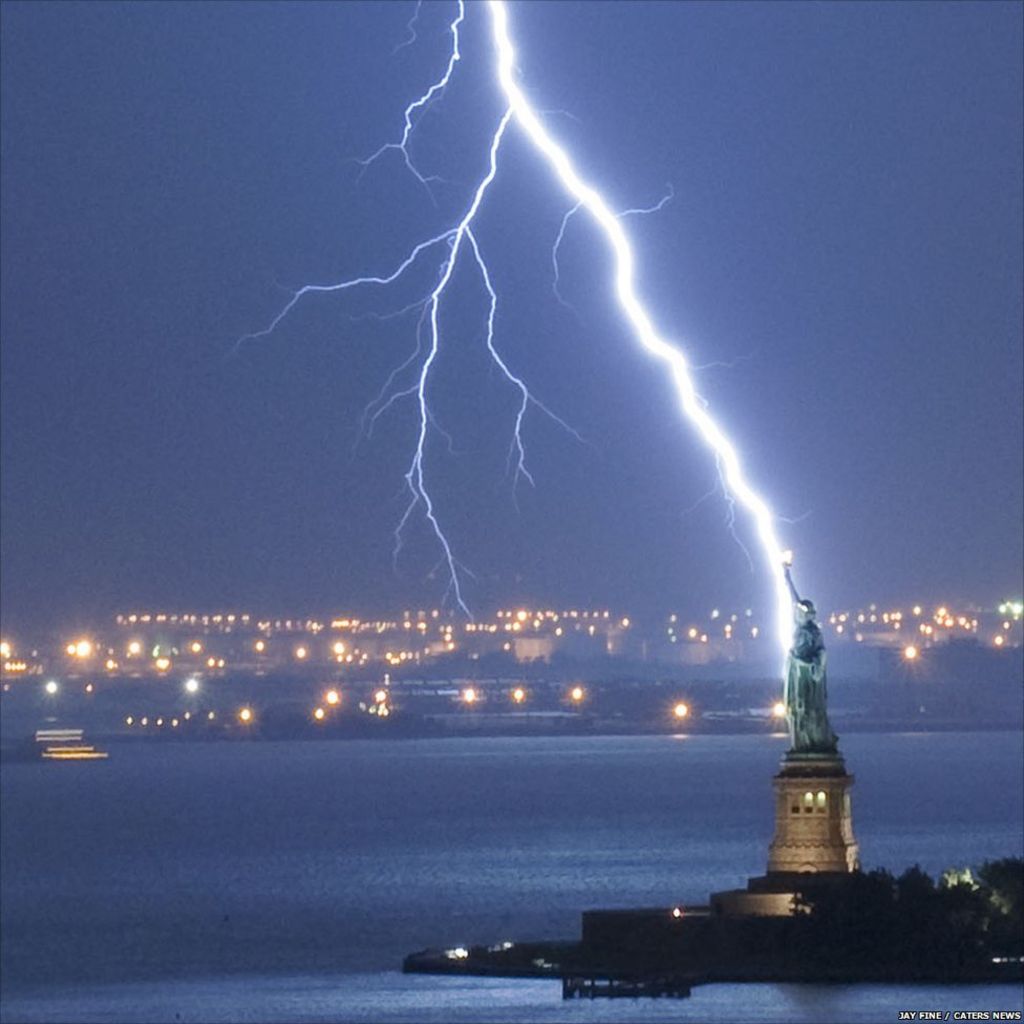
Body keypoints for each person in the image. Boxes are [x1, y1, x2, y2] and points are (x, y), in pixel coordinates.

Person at [783, 563, 838, 754]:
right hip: (797, 672)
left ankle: (810, 741)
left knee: (809, 707)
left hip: (809, 673)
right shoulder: (798, 626)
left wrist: (814, 663)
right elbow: (794, 599)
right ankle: (800, 742)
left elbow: (821, 653)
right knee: (797, 707)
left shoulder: (814, 632)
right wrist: (787, 578)